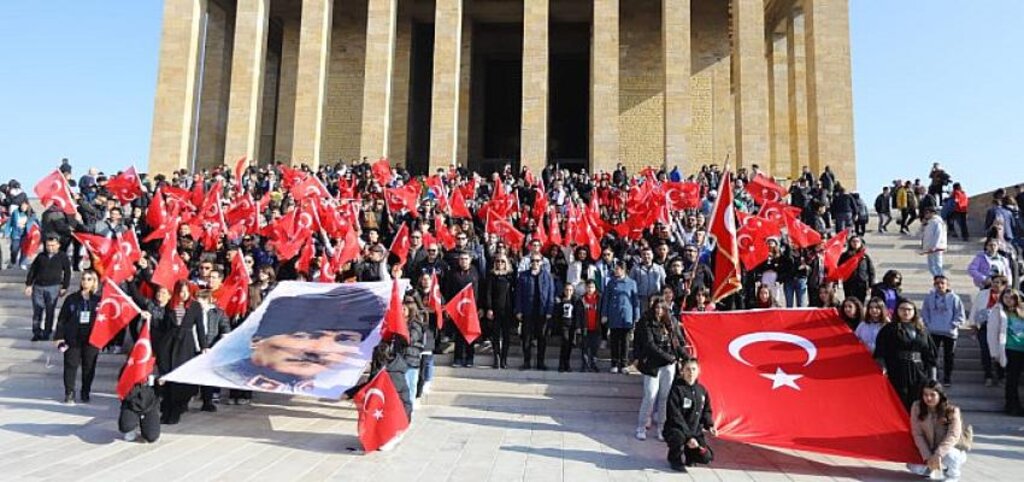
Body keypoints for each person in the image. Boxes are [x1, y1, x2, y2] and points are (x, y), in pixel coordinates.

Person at [155, 282, 208, 424]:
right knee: (166, 374)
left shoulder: (195, 306)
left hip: (185, 344)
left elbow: (200, 327)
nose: (183, 295)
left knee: (179, 376)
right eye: (180, 292)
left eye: (185, 292)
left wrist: (204, 346)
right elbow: (163, 326)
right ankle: (165, 409)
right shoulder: (170, 305)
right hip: (169, 342)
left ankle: (176, 410)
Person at [635, 300, 687, 441]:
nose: (659, 311)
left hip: (668, 366)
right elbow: (650, 345)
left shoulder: (670, 323)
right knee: (650, 396)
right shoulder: (647, 323)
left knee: (664, 397)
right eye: (657, 308)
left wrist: (686, 358)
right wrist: (669, 357)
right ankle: (641, 427)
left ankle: (661, 428)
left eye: (662, 308)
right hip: (653, 366)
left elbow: (677, 344)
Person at [874, 299, 938, 411]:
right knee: (899, 401)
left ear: (914, 311)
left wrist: (933, 378)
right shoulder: (889, 329)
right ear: (897, 311)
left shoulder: (922, 331)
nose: (906, 312)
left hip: (918, 371)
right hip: (897, 370)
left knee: (917, 402)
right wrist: (883, 367)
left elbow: (930, 356)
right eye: (902, 309)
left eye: (909, 309)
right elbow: (880, 352)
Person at [52, 270, 102, 404]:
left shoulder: (98, 300)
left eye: (89, 279)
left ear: (94, 282)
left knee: (89, 367)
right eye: (84, 279)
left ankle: (85, 391)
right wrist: (59, 337)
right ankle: (69, 392)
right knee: (70, 365)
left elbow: (104, 320)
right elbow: (62, 319)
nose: (85, 281)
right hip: (73, 337)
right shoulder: (72, 298)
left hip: (91, 339)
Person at [663, 358, 716, 472]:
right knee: (678, 438)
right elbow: (675, 416)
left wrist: (710, 425)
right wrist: (688, 437)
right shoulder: (677, 390)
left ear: (698, 371)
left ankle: (690, 455)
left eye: (693, 369)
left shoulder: (702, 390)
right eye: (687, 369)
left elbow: (706, 411)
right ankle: (674, 459)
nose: (691, 372)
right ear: (682, 371)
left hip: (695, 431)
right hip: (677, 429)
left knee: (706, 457)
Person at [907, 381, 968, 481]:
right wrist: (927, 457)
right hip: (928, 448)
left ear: (940, 395)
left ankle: (953, 474)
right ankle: (929, 469)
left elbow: (953, 435)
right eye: (925, 394)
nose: (928, 398)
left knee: (952, 458)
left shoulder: (951, 411)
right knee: (915, 467)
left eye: (932, 395)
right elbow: (917, 434)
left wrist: (938, 454)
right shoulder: (916, 407)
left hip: (946, 449)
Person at [921, 275, 966, 386]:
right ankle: (934, 377)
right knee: (932, 356)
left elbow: (960, 314)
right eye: (937, 283)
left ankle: (947, 378)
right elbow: (925, 312)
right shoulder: (929, 298)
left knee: (949, 356)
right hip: (933, 331)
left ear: (947, 285)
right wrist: (928, 324)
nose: (940, 285)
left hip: (949, 332)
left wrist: (954, 325)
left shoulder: (954, 298)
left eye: (942, 283)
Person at [25, 236, 72, 341]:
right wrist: (29, 284)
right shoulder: (41, 256)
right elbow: (33, 270)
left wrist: (65, 286)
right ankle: (36, 332)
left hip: (53, 287)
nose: (50, 248)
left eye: (53, 245)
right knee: (37, 311)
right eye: (48, 246)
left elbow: (67, 272)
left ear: (58, 245)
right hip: (38, 287)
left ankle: (47, 332)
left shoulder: (62, 256)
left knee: (50, 311)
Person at [514, 253, 555, 370]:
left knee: (542, 338)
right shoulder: (523, 276)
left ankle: (540, 363)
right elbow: (518, 294)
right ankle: (526, 362)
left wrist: (549, 310)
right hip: (528, 311)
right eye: (533, 260)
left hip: (542, 312)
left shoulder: (547, 276)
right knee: (526, 338)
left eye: (537, 261)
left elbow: (551, 294)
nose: (535, 263)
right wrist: (518, 310)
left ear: (541, 262)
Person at [986, 289, 1024, 416]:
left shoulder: (1022, 311)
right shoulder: (998, 311)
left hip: (1022, 348)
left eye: (1012, 298)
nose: (1009, 300)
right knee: (1012, 379)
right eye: (1006, 297)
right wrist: (995, 352)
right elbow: (992, 333)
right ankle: (1012, 406)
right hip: (1010, 349)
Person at [601, 260, 641, 373]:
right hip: (614, 314)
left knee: (625, 341)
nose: (615, 271)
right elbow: (606, 299)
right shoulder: (611, 283)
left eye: (617, 269)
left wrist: (636, 315)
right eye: (615, 269)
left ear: (623, 270)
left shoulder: (631, 283)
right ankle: (614, 363)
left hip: (626, 315)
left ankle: (624, 363)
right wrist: (604, 314)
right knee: (614, 340)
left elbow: (635, 300)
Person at [970, 275, 1008, 387]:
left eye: (998, 282)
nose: (995, 284)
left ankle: (1001, 376)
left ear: (1004, 285)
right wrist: (973, 325)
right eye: (994, 282)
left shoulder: (1008, 296)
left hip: (1001, 328)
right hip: (985, 326)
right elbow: (975, 309)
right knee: (985, 351)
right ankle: (988, 376)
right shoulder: (983, 294)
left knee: (1000, 351)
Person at [195, 289, 230, 411]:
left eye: (201, 301)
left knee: (207, 376)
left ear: (208, 300)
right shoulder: (193, 312)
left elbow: (225, 328)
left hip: (211, 347)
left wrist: (220, 341)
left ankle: (207, 401)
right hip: (195, 346)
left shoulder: (218, 313)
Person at [482, 255, 516, 369]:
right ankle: (496, 358)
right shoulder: (491, 276)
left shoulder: (510, 277)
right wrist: (489, 308)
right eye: (498, 261)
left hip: (507, 310)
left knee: (506, 336)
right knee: (495, 335)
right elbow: (488, 293)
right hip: (495, 310)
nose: (500, 263)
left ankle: (504, 359)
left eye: (502, 261)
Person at [554, 283, 583, 373]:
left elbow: (577, 314)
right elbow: (557, 314)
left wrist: (577, 326)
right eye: (567, 290)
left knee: (569, 345)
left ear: (573, 291)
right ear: (564, 291)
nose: (568, 292)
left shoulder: (575, 301)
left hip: (572, 326)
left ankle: (567, 364)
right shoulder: (560, 301)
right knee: (565, 343)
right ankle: (561, 364)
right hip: (564, 325)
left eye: (570, 290)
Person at [839, 236, 874, 303]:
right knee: (850, 301)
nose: (855, 243)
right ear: (850, 243)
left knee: (860, 302)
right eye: (853, 241)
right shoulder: (845, 256)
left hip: (861, 284)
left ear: (861, 243)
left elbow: (871, 271)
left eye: (857, 241)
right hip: (849, 283)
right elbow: (839, 268)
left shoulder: (865, 256)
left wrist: (871, 285)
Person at [578, 279, 602, 372]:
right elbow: (578, 314)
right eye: (588, 287)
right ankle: (585, 364)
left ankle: (593, 364)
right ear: (585, 288)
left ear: (595, 288)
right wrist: (578, 327)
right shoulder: (582, 299)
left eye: (592, 287)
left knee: (594, 347)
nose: (590, 289)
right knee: (584, 347)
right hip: (585, 327)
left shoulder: (599, 298)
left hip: (596, 327)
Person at [920, 207, 947, 278]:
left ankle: (941, 279)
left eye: (927, 213)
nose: (925, 215)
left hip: (937, 247)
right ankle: (938, 278)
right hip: (930, 246)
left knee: (937, 265)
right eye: (925, 213)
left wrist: (935, 246)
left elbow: (938, 235)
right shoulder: (929, 221)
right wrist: (923, 225)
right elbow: (922, 233)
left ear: (932, 213)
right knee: (931, 266)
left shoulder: (937, 221)